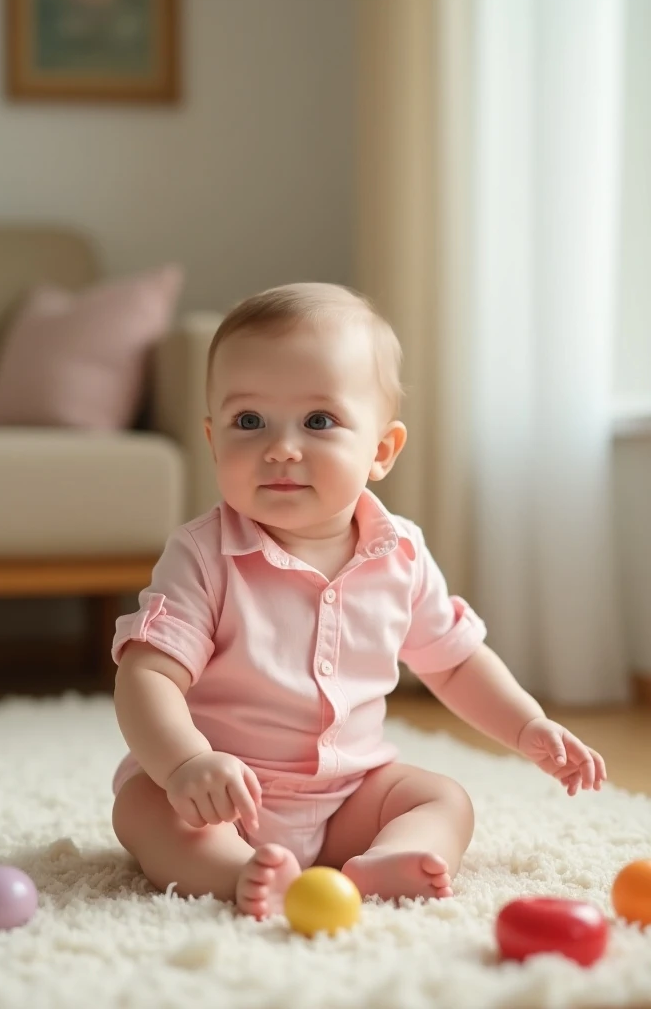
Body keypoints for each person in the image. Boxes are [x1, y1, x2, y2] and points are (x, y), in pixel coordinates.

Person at [110, 283, 606, 920]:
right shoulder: (203, 555)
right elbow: (147, 673)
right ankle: (241, 873)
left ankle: (390, 856)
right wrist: (185, 764)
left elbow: (453, 661)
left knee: (442, 799)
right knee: (147, 812)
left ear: (381, 451)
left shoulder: (400, 553)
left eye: (318, 422)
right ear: (213, 440)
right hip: (222, 794)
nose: (281, 447)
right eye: (248, 421)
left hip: (348, 794)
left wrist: (527, 724)